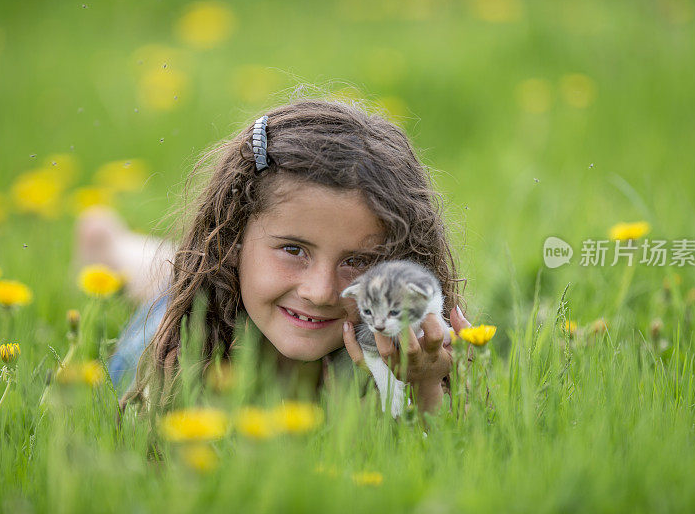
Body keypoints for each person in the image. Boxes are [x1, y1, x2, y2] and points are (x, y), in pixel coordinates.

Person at [77, 99, 472, 414]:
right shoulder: (167, 356)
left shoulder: (397, 342)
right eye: (293, 250)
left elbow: (438, 461)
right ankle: (109, 244)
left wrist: (424, 385)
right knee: (169, 278)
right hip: (203, 302)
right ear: (231, 241)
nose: (320, 292)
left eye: (358, 262)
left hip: (251, 291)